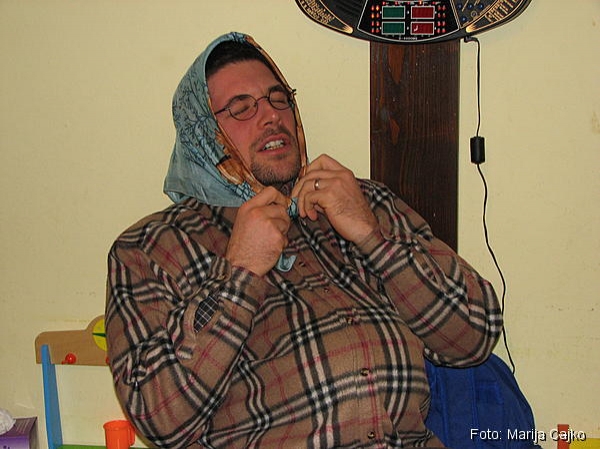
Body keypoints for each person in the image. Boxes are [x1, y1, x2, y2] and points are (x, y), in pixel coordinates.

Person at [105, 32, 503, 449]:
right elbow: (161, 420)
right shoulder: (150, 249)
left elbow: (474, 337)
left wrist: (371, 237)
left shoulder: (362, 201)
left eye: (279, 99)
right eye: (241, 107)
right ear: (202, 134)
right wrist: (240, 274)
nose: (271, 116)